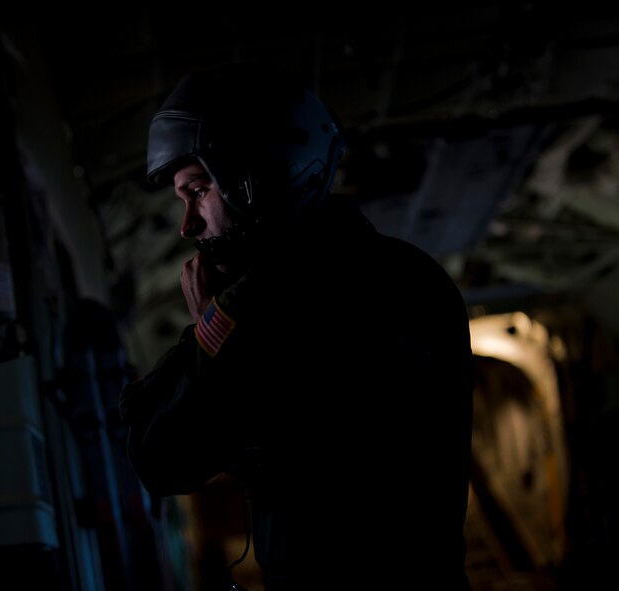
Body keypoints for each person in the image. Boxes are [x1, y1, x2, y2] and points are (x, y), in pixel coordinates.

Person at [119, 62, 475, 591]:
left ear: (255, 175)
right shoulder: (395, 274)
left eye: (196, 192)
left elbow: (163, 457)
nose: (187, 226)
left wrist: (212, 329)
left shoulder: (314, 297)